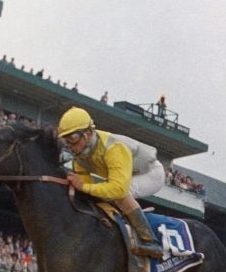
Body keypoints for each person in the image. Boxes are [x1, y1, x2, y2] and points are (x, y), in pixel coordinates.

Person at [56, 106, 165, 259]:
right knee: (99, 195)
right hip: (127, 174)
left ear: (87, 134)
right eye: (65, 140)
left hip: (150, 173)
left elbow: (118, 189)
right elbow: (87, 192)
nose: (69, 145)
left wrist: (84, 186)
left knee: (121, 194)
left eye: (72, 139)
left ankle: (150, 242)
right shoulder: (80, 156)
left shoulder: (114, 148)